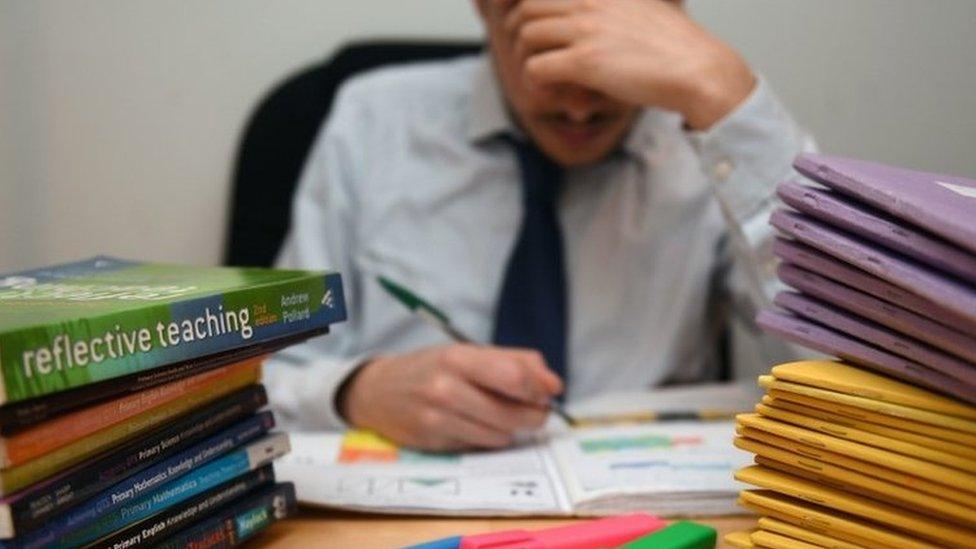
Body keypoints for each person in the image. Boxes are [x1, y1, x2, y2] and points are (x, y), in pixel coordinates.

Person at [265, 0, 812, 451]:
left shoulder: (722, 141)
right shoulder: (371, 122)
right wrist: (355, 392)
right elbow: (261, 384)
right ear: (485, 8)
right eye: (542, 40)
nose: (578, 106)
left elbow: (848, 384)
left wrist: (726, 96)